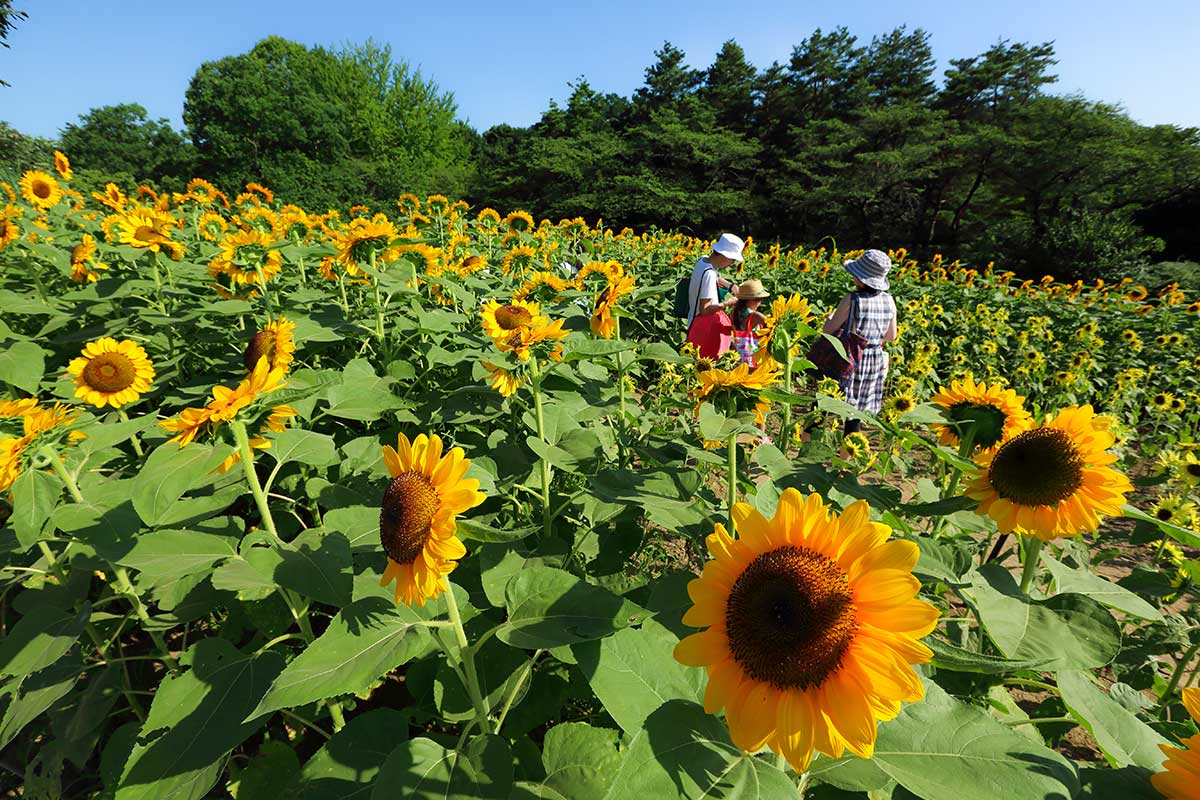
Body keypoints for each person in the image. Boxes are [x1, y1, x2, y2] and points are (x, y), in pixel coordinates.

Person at [822, 249, 897, 433]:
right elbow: (891, 336)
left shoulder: (852, 299)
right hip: (873, 360)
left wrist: (830, 318)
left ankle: (805, 451)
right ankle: (845, 459)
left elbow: (829, 330)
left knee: (823, 403)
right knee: (855, 414)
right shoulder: (889, 300)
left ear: (861, 278)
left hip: (849, 356)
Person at [685, 233, 742, 359]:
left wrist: (731, 286)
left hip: (692, 319)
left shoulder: (703, 260)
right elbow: (705, 310)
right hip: (701, 327)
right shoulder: (709, 275)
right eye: (732, 259)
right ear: (724, 256)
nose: (732, 263)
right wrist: (728, 303)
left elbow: (716, 276)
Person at [730, 279, 769, 367]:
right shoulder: (756, 316)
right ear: (752, 300)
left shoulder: (733, 313)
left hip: (737, 360)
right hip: (753, 361)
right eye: (759, 299)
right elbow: (772, 327)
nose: (760, 302)